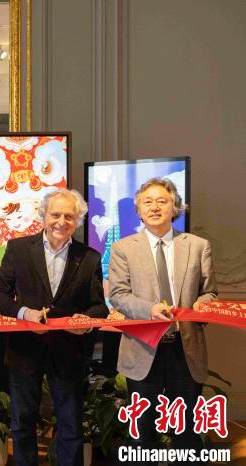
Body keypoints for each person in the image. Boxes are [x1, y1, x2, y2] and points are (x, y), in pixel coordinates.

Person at [0, 188, 108, 466]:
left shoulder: (89, 257)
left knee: (71, 425)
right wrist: (24, 313)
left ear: (77, 221)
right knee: (22, 424)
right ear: (43, 216)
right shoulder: (18, 249)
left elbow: (99, 307)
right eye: (55, 214)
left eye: (69, 216)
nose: (61, 222)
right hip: (25, 349)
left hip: (69, 351)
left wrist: (85, 322)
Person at [109, 178, 216, 464]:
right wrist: (149, 309)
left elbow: (210, 292)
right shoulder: (122, 248)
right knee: (143, 431)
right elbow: (118, 295)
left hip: (185, 348)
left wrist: (203, 305)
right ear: (139, 210)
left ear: (175, 207)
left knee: (187, 430)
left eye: (162, 201)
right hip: (142, 348)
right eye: (148, 202)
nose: (154, 207)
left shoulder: (197, 246)